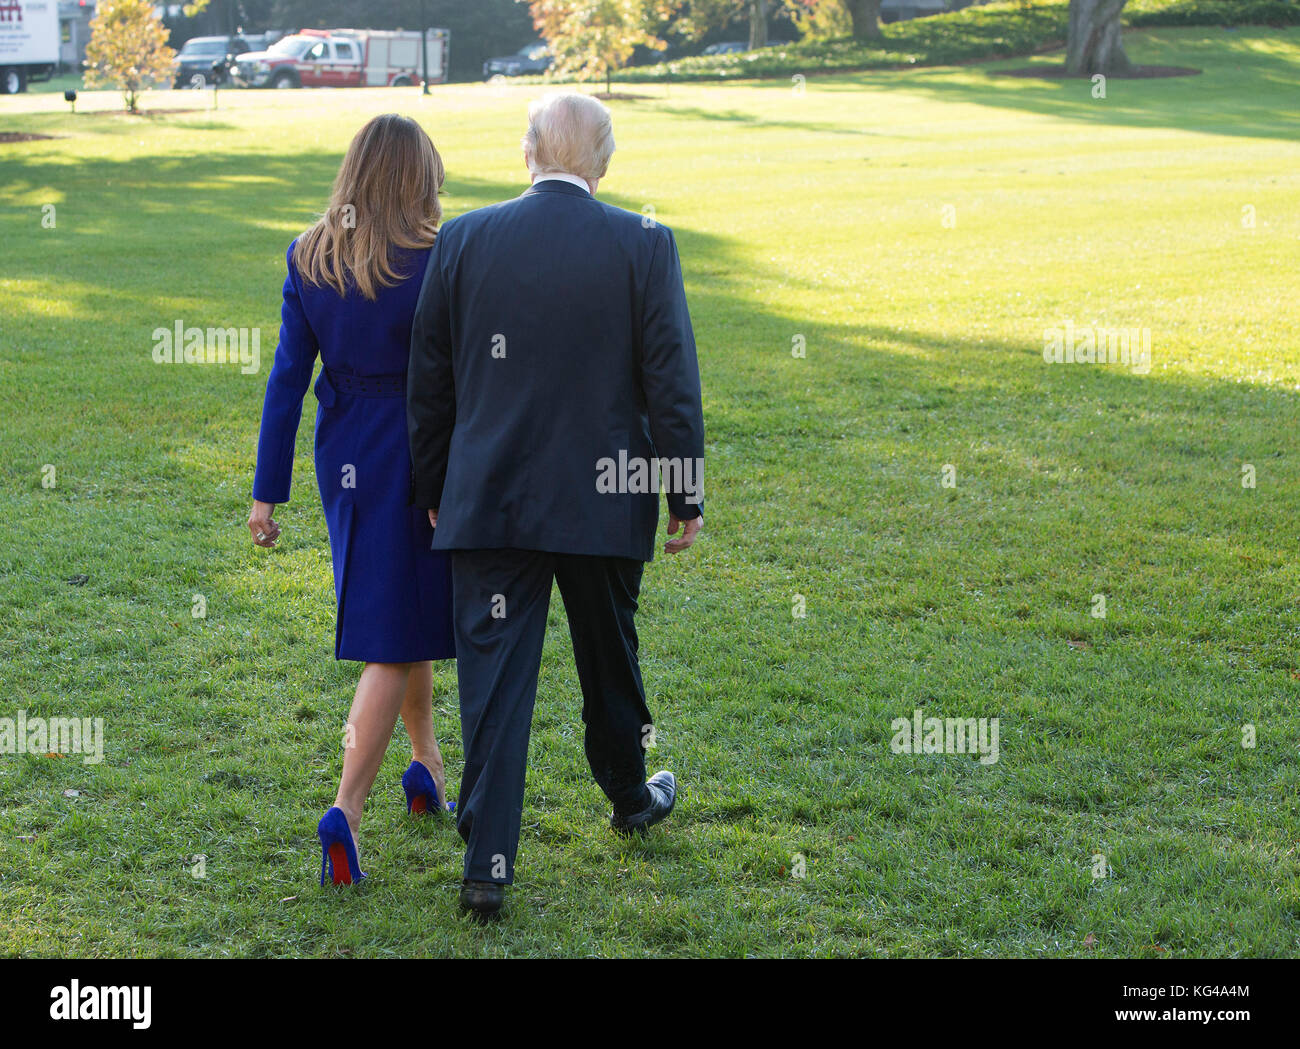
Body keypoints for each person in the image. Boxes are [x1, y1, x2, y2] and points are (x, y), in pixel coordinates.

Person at [407, 92, 706, 920]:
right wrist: (685, 491)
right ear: (602, 163)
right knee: (612, 658)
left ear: (528, 152)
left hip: (491, 496)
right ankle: (629, 794)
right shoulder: (644, 243)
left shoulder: (465, 236)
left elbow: (427, 382)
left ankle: (488, 864)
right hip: (606, 500)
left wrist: (433, 489)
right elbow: (670, 379)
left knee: (496, 686)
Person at [249, 114, 456, 889]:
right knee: (392, 636)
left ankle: (426, 764)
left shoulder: (310, 255)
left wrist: (267, 491)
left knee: (402, 617)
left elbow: (285, 381)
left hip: (345, 455)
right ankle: (347, 808)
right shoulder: (434, 257)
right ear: (413, 178)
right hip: (416, 453)